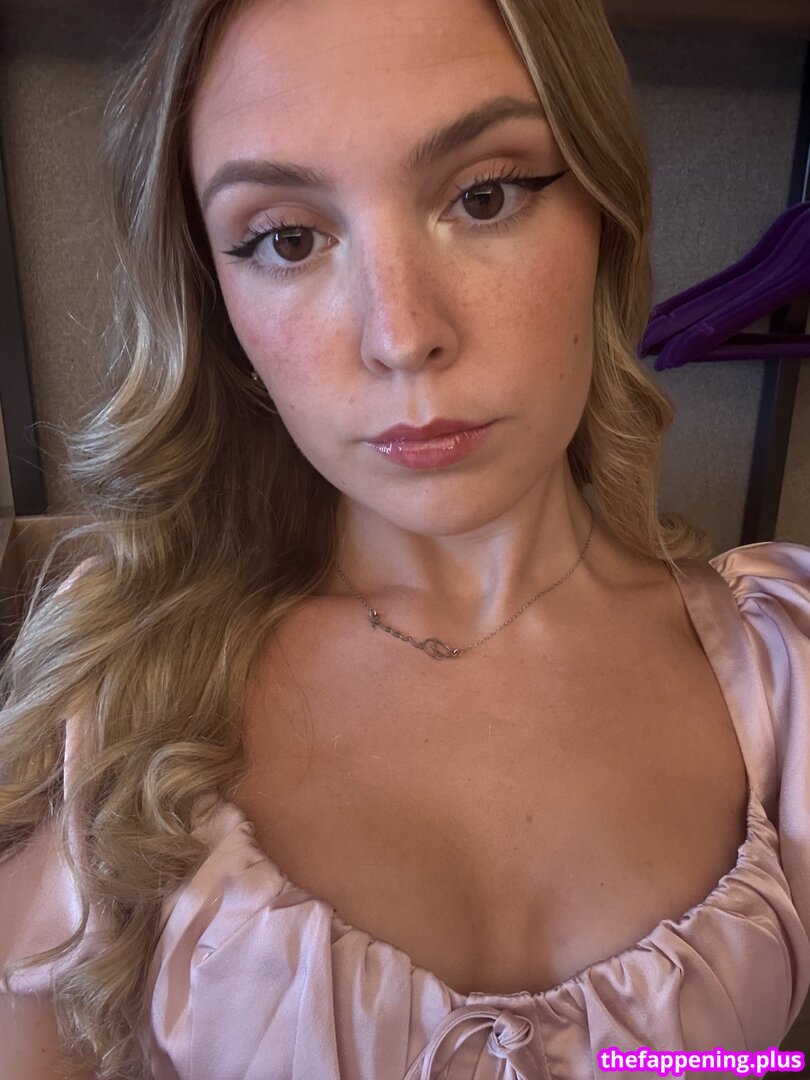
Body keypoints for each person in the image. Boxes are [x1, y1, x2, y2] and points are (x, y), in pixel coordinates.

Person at [1, 0, 809, 1077]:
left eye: (485, 195)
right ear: (216, 300)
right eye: (288, 239)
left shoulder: (784, 669)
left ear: (606, 215)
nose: (401, 335)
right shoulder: (118, 690)